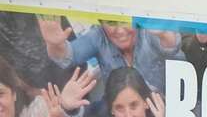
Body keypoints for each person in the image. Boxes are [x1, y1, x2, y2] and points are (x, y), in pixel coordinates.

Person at [37, 17, 183, 93]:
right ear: (101, 23)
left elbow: (171, 46)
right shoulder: (98, 36)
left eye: (125, 22)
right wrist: (55, 44)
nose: (120, 31)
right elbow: (68, 57)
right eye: (111, 23)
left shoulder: (149, 29)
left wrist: (165, 34)